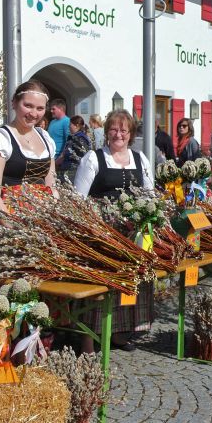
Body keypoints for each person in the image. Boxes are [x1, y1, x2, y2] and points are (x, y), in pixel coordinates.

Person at [74, 109, 155, 351]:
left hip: (133, 234)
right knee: (101, 284)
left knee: (130, 282)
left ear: (131, 134)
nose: (118, 134)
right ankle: (88, 339)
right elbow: (78, 198)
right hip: (102, 233)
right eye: (113, 129)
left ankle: (120, 333)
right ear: (106, 132)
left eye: (123, 130)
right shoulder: (94, 158)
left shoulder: (140, 159)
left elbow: (150, 194)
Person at [0, 79, 57, 237]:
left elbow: (52, 187)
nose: (33, 114)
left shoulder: (45, 138)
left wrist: (51, 222)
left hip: (39, 225)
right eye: (28, 106)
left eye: (40, 108)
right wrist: (15, 229)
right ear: (14, 103)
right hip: (2, 225)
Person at [58, 115, 92, 182]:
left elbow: (82, 157)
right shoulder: (75, 137)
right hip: (68, 170)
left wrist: (58, 162)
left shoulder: (79, 139)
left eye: (70, 124)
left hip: (72, 172)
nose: (69, 126)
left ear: (76, 125)